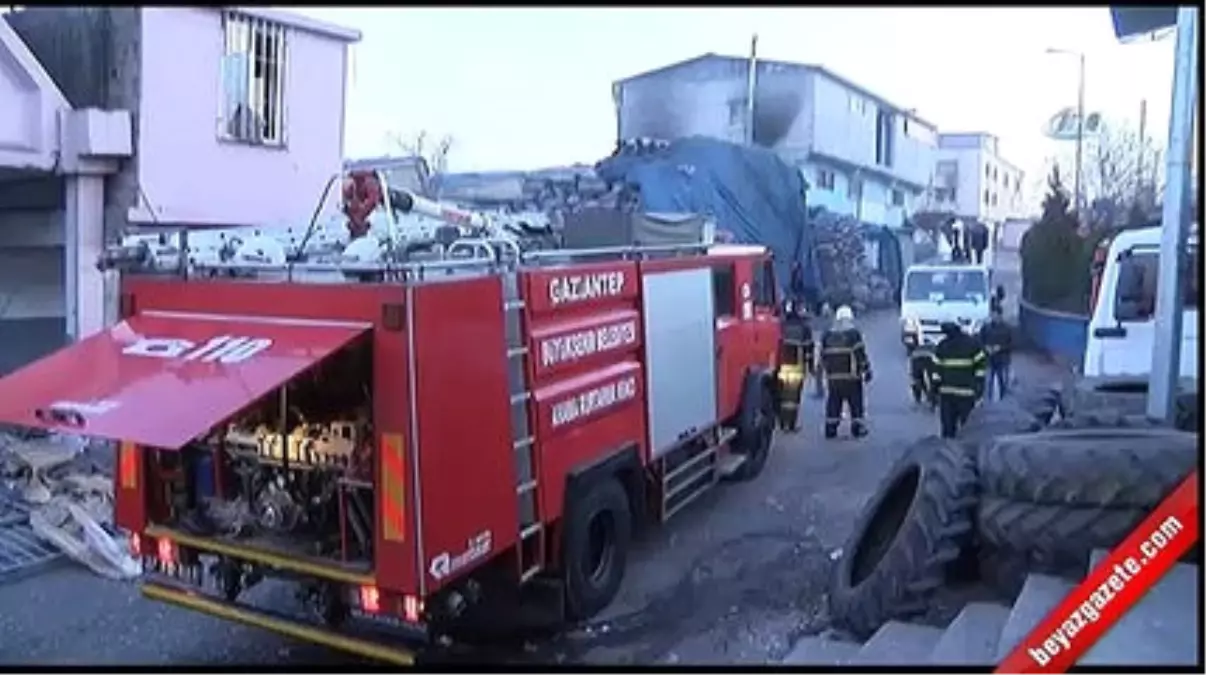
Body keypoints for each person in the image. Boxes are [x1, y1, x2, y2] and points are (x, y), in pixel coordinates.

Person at [818, 305, 872, 439]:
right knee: (856, 403)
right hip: (852, 377)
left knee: (834, 403)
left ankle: (830, 429)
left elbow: (822, 356)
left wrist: (823, 374)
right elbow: (860, 354)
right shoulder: (853, 334)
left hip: (833, 378)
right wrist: (867, 370)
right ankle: (857, 428)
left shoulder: (827, 335)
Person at [930, 321, 987, 438]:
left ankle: (949, 452)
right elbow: (981, 368)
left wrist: (933, 393)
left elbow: (936, 374)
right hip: (966, 394)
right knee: (967, 428)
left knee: (948, 429)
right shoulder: (972, 344)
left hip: (947, 395)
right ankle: (965, 451)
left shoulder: (942, 346)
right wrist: (979, 389)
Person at [777, 300, 814, 431]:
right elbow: (809, 350)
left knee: (781, 395)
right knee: (793, 398)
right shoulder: (804, 328)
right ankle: (791, 424)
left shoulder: (780, 325)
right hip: (796, 367)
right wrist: (811, 368)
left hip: (780, 367)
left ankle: (782, 424)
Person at [978, 307, 1013, 400]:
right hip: (988, 360)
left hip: (1003, 360)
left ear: (1000, 315)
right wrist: (985, 347)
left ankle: (1004, 401)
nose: (994, 317)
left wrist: (1000, 347)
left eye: (996, 315)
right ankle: (987, 402)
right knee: (987, 382)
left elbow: (1012, 344)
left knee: (1004, 383)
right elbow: (980, 341)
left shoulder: (1007, 328)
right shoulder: (985, 328)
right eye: (992, 315)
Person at [908, 342, 938, 410]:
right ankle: (933, 400)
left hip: (916, 358)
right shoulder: (935, 345)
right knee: (933, 380)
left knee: (917, 379)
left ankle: (918, 399)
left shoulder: (917, 348)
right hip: (930, 357)